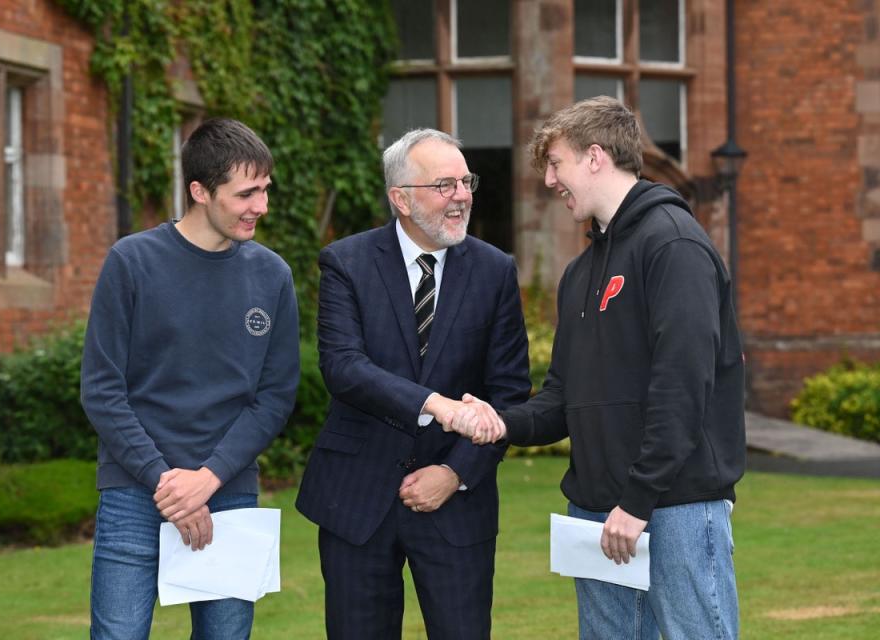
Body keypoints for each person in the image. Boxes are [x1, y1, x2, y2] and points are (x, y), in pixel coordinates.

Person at [448, 96, 746, 639]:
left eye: (555, 164)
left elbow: (682, 386)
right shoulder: (580, 273)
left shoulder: (674, 245)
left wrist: (637, 502)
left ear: (595, 156)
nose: (548, 182)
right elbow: (563, 397)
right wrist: (500, 420)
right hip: (593, 509)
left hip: (672, 506)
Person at [295, 128, 531, 639]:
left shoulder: (494, 271)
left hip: (457, 503)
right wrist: (434, 404)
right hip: (357, 499)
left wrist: (454, 472)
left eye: (465, 181)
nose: (463, 196)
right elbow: (343, 367)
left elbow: (508, 392)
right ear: (400, 198)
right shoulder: (347, 263)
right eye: (444, 185)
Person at [80, 118, 300, 639]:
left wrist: (208, 479)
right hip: (134, 491)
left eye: (265, 190)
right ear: (199, 190)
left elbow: (274, 398)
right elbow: (103, 390)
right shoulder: (131, 262)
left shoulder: (273, 276)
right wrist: (165, 482)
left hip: (228, 492)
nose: (261, 206)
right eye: (246, 193)